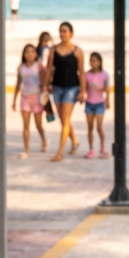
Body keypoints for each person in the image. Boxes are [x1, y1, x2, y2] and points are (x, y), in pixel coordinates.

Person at [45, 22, 85, 163]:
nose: (62, 34)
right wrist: (46, 85)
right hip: (57, 87)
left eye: (65, 31)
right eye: (61, 31)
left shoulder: (77, 51)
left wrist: (83, 91)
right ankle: (74, 140)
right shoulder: (54, 50)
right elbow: (49, 68)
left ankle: (60, 152)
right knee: (63, 119)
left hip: (72, 88)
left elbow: (81, 72)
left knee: (66, 118)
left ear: (71, 33)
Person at [12, 43, 48, 158]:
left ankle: (44, 140)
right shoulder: (21, 67)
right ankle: (26, 149)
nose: (30, 54)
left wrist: (45, 100)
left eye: (32, 51)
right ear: (24, 54)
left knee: (38, 124)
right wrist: (14, 100)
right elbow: (18, 84)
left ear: (36, 54)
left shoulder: (39, 66)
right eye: (27, 51)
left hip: (37, 98)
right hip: (25, 98)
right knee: (25, 125)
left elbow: (44, 84)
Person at [84, 52, 111, 159]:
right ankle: (91, 149)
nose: (92, 63)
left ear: (99, 62)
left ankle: (102, 148)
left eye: (94, 61)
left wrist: (108, 100)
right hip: (89, 103)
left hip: (100, 103)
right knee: (90, 128)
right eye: (91, 61)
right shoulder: (87, 75)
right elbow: (84, 87)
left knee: (99, 127)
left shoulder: (104, 74)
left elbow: (107, 89)